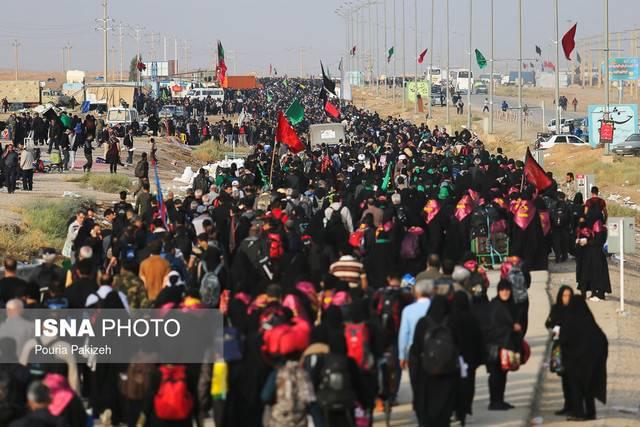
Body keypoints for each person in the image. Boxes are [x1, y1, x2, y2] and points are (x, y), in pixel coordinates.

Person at [411, 295, 459, 426]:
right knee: (443, 414)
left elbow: (415, 351)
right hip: (447, 375)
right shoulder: (451, 322)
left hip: (426, 375)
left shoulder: (423, 323)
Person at [559, 297, 608, 421]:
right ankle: (591, 413)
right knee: (589, 387)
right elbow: (602, 340)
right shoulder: (589, 321)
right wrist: (599, 359)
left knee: (576, 387)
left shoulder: (570, 321)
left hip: (575, 362)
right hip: (590, 363)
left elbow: (564, 340)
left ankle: (579, 413)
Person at [482, 279, 522, 410]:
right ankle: (494, 401)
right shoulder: (494, 306)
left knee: (503, 375)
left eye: (507, 290)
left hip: (506, 346)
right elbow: (491, 327)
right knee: (495, 375)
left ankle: (500, 400)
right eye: (502, 290)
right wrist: (511, 327)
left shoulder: (511, 305)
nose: (505, 292)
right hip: (494, 347)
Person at [545, 285, 574, 416]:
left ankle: (575, 405)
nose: (566, 298)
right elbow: (548, 323)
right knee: (564, 378)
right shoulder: (556, 309)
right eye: (564, 295)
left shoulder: (576, 310)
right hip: (560, 349)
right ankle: (567, 405)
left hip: (573, 350)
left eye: (569, 296)